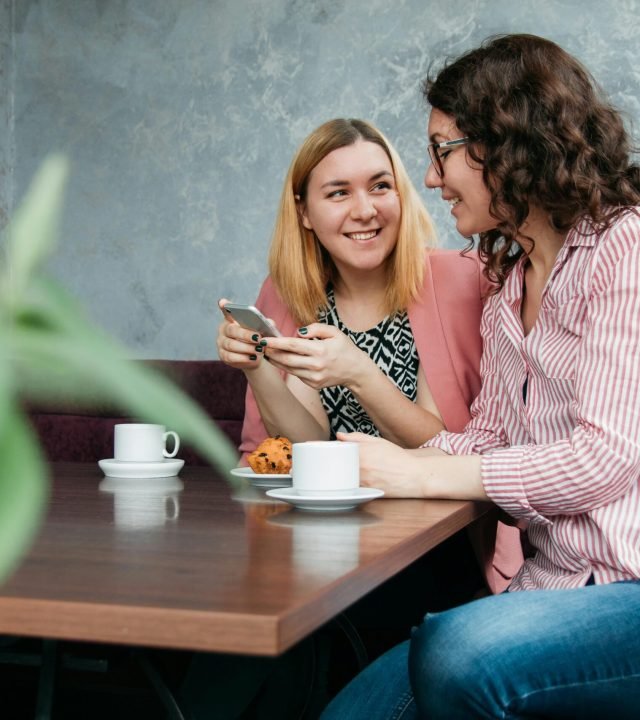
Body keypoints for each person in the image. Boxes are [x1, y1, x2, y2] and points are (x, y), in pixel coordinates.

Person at [321, 34, 640, 719]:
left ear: (509, 141)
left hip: (631, 589)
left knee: (457, 653)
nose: (430, 179)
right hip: (549, 589)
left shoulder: (625, 247)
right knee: (350, 711)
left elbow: (606, 459)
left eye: (442, 150)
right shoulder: (507, 295)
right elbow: (489, 443)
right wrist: (374, 461)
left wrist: (425, 474)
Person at [217, 118, 522, 594]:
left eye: (381, 186)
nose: (365, 211)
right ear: (304, 212)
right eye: (338, 193)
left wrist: (359, 373)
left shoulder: (463, 280)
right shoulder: (286, 294)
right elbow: (305, 444)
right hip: (318, 540)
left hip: (440, 546)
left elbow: (449, 449)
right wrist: (258, 369)